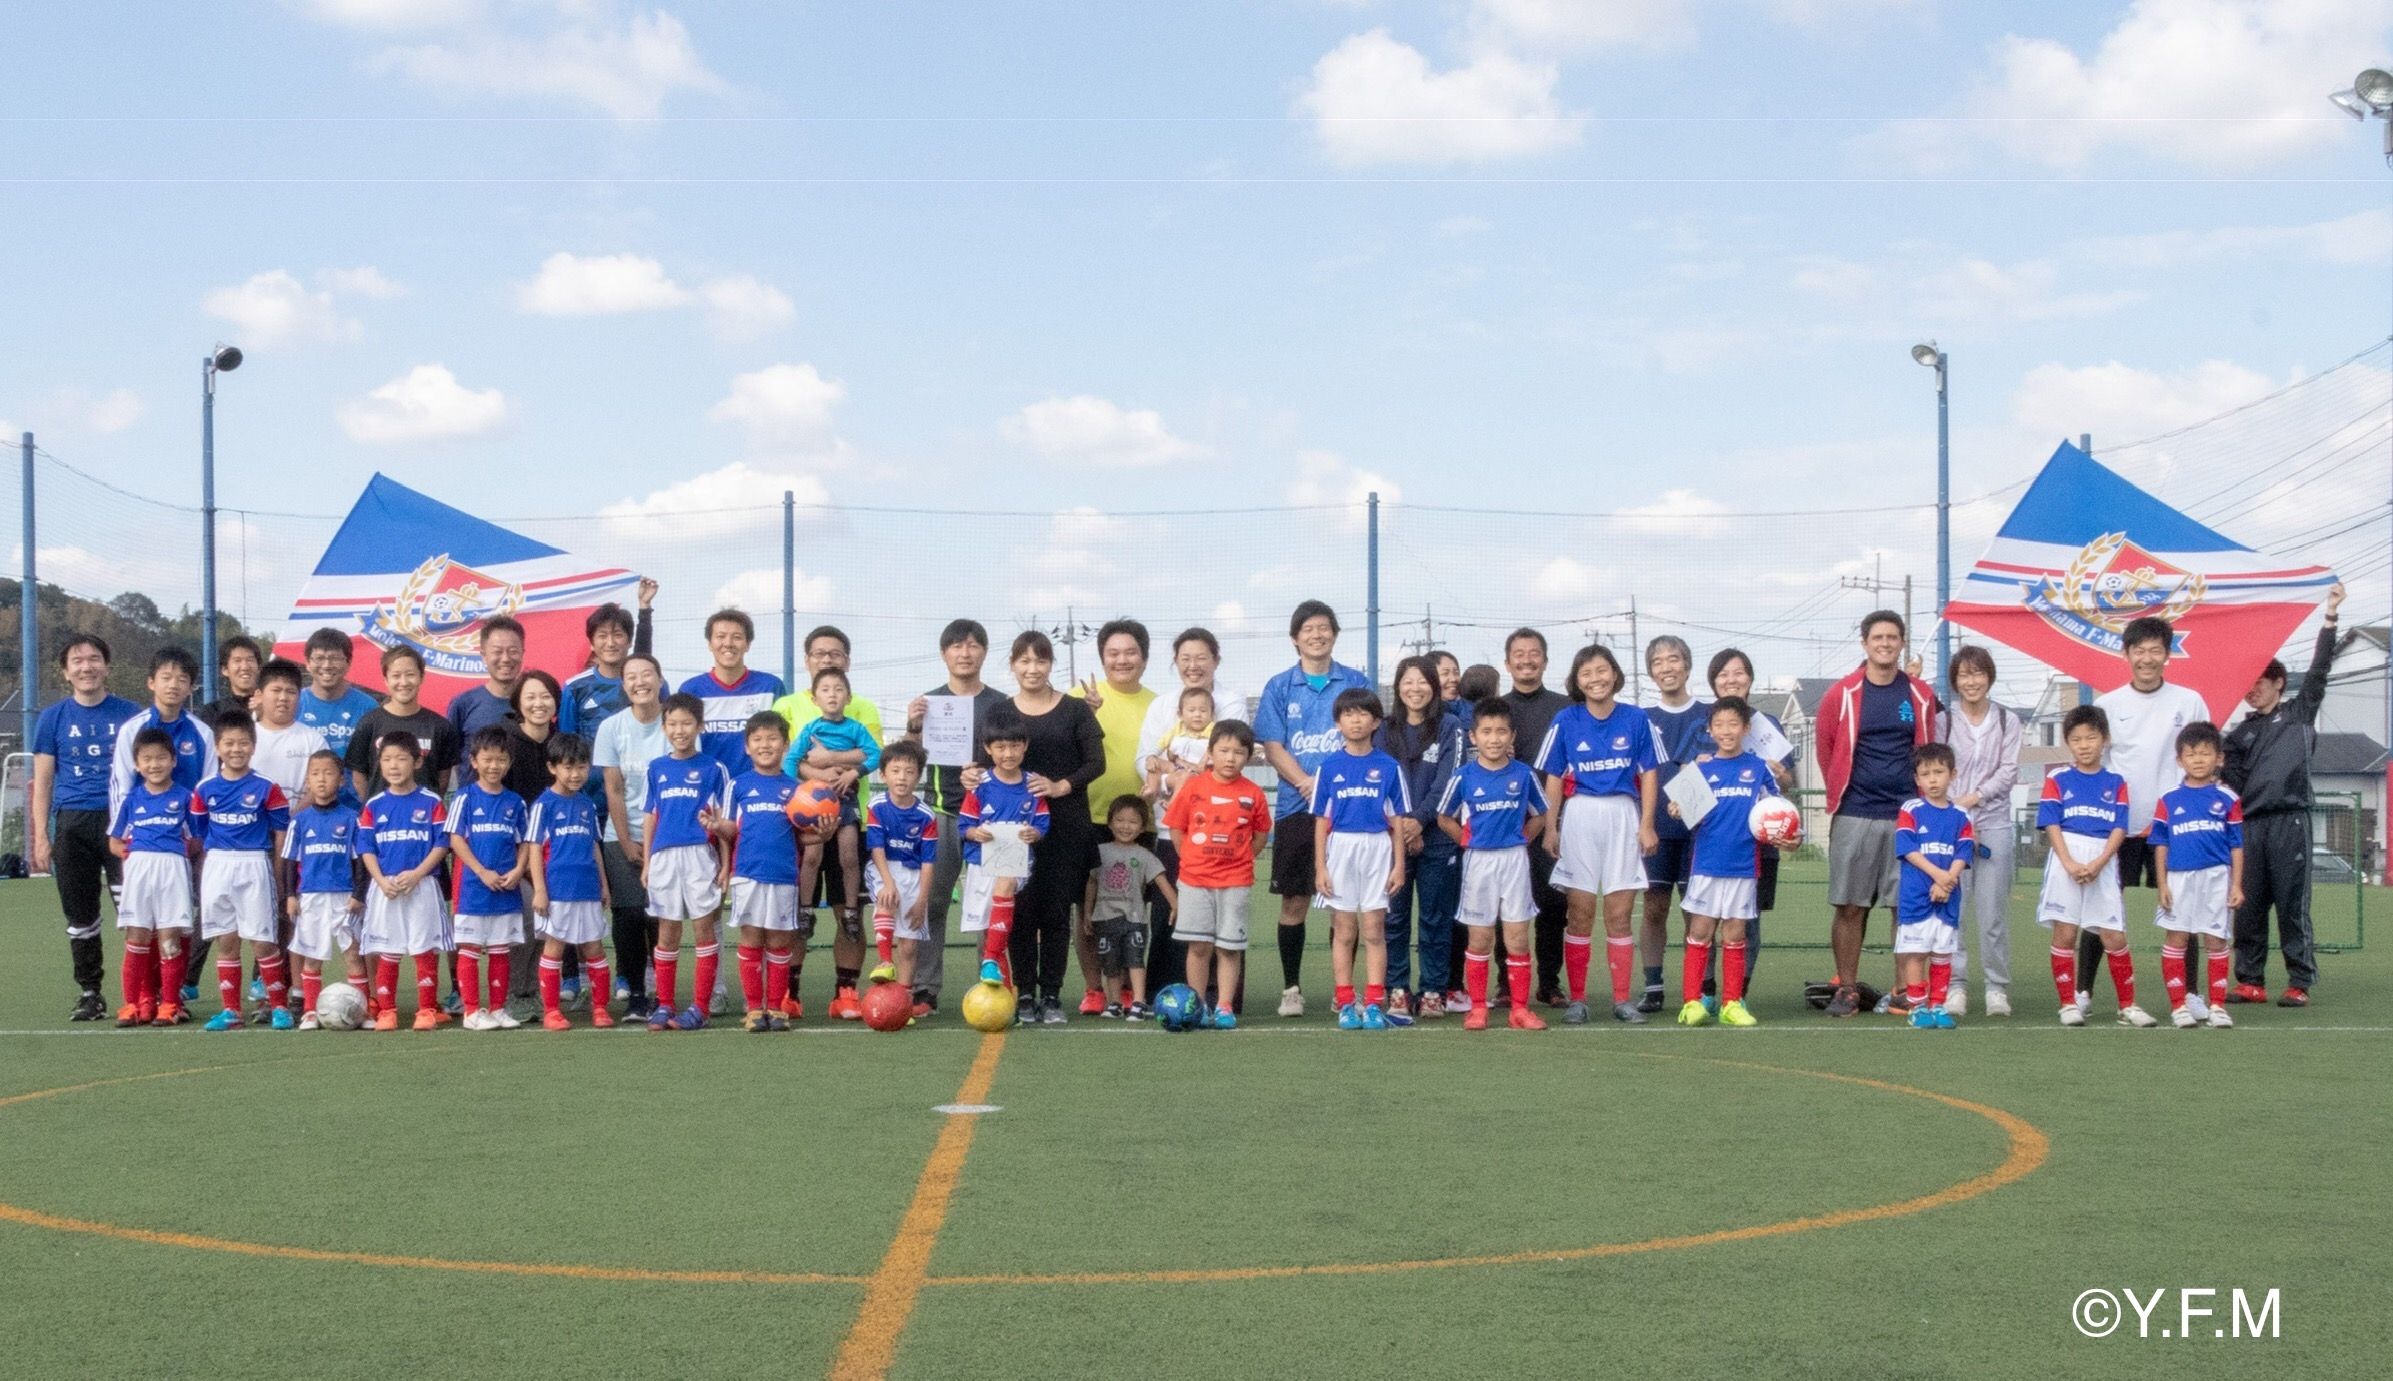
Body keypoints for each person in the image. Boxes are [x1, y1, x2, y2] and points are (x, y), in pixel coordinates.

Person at [2080, 614, 2213, 1023]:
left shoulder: (2189, 701)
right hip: (2119, 827)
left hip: (2174, 830)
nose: (2148, 658)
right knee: (2102, 910)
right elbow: (2094, 766)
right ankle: (2083, 990)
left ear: (2168, 655)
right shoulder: (2107, 705)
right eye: (2139, 650)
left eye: (2157, 650)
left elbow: (2204, 761)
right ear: (2126, 654)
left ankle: (2190, 994)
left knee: (2182, 912)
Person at [1812, 612, 1938, 1019]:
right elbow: (1827, 749)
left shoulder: (1919, 695)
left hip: (1907, 815)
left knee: (1906, 906)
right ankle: (1847, 989)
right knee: (1849, 906)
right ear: (1864, 643)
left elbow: (1929, 748)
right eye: (1877, 637)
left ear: (1902, 643)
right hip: (1856, 812)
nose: (1885, 643)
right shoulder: (1841, 694)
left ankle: (1904, 990)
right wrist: (1843, 794)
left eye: (1893, 637)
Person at [2223, 583, 2344, 1006]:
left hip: (2290, 822)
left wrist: (2330, 616)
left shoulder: (2299, 712)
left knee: (2292, 905)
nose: (2251, 689)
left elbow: (2320, 669)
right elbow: (2231, 783)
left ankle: (2299, 982)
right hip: (2250, 827)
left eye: (2259, 681)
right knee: (2249, 907)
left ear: (2278, 682)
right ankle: (2250, 979)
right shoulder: (2238, 734)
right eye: (2246, 683)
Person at [1254, 600, 1373, 1018]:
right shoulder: (1280, 686)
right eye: (1308, 629)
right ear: (1294, 638)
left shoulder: (1356, 682)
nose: (1317, 635)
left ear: (1335, 635)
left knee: (1346, 905)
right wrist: (1307, 783)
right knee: (1295, 902)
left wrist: (1335, 786)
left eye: (1324, 628)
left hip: (1353, 813)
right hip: (1296, 807)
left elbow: (1367, 742)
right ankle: (1292, 989)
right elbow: (1272, 745)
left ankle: (1346, 991)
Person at [977, 631, 1103, 1024]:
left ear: (1051, 665)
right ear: (1012, 665)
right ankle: (1025, 995)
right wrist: (970, 778)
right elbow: (981, 761)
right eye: (1024, 661)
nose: (1033, 669)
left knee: (1055, 914)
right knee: (1019, 911)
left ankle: (1051, 996)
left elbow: (1096, 763)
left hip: (1065, 827)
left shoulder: (1076, 710)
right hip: (1011, 830)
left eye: (1041, 661)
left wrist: (1059, 786)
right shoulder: (1000, 711)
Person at [1539, 643, 1660, 1026]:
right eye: (1586, 672)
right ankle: (1578, 1000)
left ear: (1615, 674)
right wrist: (1550, 825)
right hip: (1580, 817)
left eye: (1602, 670)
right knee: (1579, 913)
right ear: (1577, 680)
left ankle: (1623, 1000)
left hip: (1623, 815)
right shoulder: (1566, 719)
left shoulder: (1637, 719)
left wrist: (1646, 823)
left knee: (1620, 914)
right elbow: (1554, 776)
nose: (1596, 678)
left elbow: (1651, 773)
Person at [30, 632, 141, 1021]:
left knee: (135, 912)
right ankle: (90, 992)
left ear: (106, 666)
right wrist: (41, 836)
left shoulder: (131, 714)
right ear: (66, 672)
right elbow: (42, 782)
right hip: (72, 824)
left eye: (94, 659)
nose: (86, 666)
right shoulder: (52, 718)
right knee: (80, 917)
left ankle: (142, 992)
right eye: (77, 661)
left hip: (121, 822)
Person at [902, 619, 1007, 1011]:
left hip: (994, 818)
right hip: (943, 811)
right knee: (933, 902)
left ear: (984, 652)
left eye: (973, 645)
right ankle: (925, 990)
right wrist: (913, 727)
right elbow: (909, 759)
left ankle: (993, 982)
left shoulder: (1002, 704)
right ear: (944, 653)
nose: (965, 653)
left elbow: (1017, 754)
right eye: (957, 646)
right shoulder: (929, 703)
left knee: (995, 903)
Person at [2036, 705, 2152, 1028]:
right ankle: (2068, 1004)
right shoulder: (2057, 779)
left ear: (2106, 740)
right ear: (2068, 743)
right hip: (2066, 858)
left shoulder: (2116, 782)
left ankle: (2127, 1005)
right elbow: (2052, 824)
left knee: (2113, 935)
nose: (2084, 744)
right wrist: (2070, 862)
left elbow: (2119, 828)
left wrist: (2100, 863)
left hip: (2103, 859)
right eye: (2076, 739)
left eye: (2091, 737)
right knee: (2066, 931)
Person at [1437, 696, 1548, 1031]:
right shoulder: (1464, 776)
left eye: (1501, 731)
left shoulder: (1524, 774)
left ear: (1512, 736)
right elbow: (1444, 817)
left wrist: (1521, 839)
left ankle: (1519, 1009)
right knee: (1480, 938)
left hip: (1514, 861)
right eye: (1486, 731)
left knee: (1517, 937)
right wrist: (1467, 841)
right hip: (1478, 863)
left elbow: (1541, 814)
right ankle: (1478, 1008)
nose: (1495, 738)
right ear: (1474, 737)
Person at [1667, 697, 1775, 1028]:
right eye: (1720, 725)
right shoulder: (1700, 769)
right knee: (1699, 932)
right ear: (1710, 730)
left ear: (1745, 729)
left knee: (1735, 933)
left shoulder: (1758, 769)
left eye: (1733, 725)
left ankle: (1731, 1003)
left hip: (1744, 866)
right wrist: (1677, 809)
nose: (1726, 731)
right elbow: (1682, 811)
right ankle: (1691, 1003)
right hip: (1706, 865)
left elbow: (1773, 810)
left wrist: (1784, 827)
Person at [1069, 619, 1158, 1015]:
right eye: (1113, 653)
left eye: (1130, 652)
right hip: (1087, 818)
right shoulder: (1077, 699)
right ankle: (1094, 988)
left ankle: (1126, 988)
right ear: (1102, 658)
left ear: (1145, 656)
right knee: (1088, 911)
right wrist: (1082, 713)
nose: (1122, 660)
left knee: (1132, 912)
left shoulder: (1160, 704)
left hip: (1142, 822)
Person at [1311, 687, 1409, 1031]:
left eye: (1363, 713)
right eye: (1348, 714)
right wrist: (1321, 866)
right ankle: (1345, 1002)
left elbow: (1397, 820)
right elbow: (1321, 821)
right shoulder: (1329, 767)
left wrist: (1399, 864)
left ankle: (1373, 1003)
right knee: (1344, 930)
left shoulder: (1389, 767)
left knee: (1374, 929)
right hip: (1341, 849)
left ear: (1376, 722)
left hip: (1377, 850)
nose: (1356, 720)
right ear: (1338, 722)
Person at [1163, 721, 1272, 1030]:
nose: (1230, 758)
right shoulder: (1194, 788)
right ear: (1210, 753)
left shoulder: (1253, 794)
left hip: (1235, 882)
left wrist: (1242, 860)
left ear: (1248, 757)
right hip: (1195, 881)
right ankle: (1196, 1005)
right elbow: (1176, 826)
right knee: (1198, 946)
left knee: (1228, 946)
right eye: (1223, 750)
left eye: (1239, 752)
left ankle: (1224, 1006)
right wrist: (1190, 859)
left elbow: (1261, 833)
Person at [1933, 645, 2022, 1018]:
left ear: (1989, 677)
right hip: (1950, 825)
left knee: (1992, 913)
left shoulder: (2007, 720)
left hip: (1994, 824)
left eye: (1978, 674)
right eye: (1964, 675)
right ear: (1955, 680)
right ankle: (1955, 985)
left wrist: (1974, 798)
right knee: (1954, 909)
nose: (1972, 682)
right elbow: (1935, 765)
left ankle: (1996, 988)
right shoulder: (1944, 721)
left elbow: (2009, 770)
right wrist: (1955, 806)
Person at [789, 665, 881, 1017]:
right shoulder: (809, 727)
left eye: (838, 688)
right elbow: (790, 761)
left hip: (845, 808)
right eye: (825, 689)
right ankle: (805, 909)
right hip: (812, 813)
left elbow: (876, 755)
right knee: (810, 861)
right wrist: (816, 779)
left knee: (848, 858)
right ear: (815, 697)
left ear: (848, 695)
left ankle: (846, 988)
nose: (832, 694)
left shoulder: (857, 727)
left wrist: (851, 771)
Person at [192, 712, 293, 1031]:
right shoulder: (205, 788)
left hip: (253, 864)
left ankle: (279, 1007)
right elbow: (199, 831)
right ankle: (231, 1011)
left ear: (253, 745)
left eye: (243, 742)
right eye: (229, 743)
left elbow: (280, 833)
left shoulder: (267, 787)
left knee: (263, 941)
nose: (236, 749)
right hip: (218, 864)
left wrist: (277, 873)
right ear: (218, 748)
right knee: (226, 940)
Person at [641, 691, 734, 1032]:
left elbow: (722, 822)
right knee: (667, 931)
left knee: (703, 929)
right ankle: (665, 1005)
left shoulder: (714, 768)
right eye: (673, 724)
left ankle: (700, 1007)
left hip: (700, 856)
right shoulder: (657, 768)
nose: (680, 730)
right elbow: (651, 815)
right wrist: (649, 862)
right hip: (664, 858)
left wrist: (725, 866)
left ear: (700, 726)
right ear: (664, 727)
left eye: (687, 723)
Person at [1377, 656, 1464, 1021]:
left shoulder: (1451, 726)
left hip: (1438, 837)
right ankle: (1397, 988)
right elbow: (1380, 780)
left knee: (1434, 918)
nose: (1415, 688)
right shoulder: (1383, 728)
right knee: (1394, 919)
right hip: (1392, 840)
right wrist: (1403, 827)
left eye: (1423, 681)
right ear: (1398, 686)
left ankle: (1433, 989)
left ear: (1434, 686)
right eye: (1407, 681)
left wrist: (1418, 821)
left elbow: (1449, 781)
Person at [1703, 649, 1793, 998]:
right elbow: (1688, 778)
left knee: (1749, 921)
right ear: (1713, 682)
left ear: (1750, 679)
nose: (1731, 680)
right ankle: (1707, 990)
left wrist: (1783, 776)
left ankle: (1738, 993)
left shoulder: (1769, 724)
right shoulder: (1705, 723)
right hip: (1713, 843)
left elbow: (1787, 784)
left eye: (1738, 673)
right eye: (1723, 674)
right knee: (1704, 921)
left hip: (1758, 845)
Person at [356, 733, 453, 1032]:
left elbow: (442, 843)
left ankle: (426, 1010)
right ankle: (387, 1011)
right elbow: (366, 848)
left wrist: (418, 873)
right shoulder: (374, 805)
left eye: (400, 758)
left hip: (421, 887)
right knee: (388, 949)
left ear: (417, 761)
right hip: (386, 889)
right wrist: (381, 880)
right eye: (386, 759)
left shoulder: (431, 801)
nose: (393, 766)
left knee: (425, 949)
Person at [2152, 722, 2244, 1029]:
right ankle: (2178, 1006)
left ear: (2219, 758)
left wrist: (2237, 885)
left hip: (2217, 878)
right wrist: (2162, 883)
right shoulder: (2168, 799)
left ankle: (2217, 1005)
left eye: (2205, 753)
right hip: (2179, 879)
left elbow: (2237, 844)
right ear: (2180, 760)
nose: (2198, 759)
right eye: (2191, 754)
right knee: (2177, 938)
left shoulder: (2228, 798)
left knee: (2217, 940)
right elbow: (2161, 844)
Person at [1496, 629, 1571, 1005]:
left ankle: (1549, 982)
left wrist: (1552, 822)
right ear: (1507, 663)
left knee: (1553, 902)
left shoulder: (1566, 707)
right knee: (1503, 904)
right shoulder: (1496, 709)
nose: (1527, 660)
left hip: (1554, 819)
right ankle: (1506, 983)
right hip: (1503, 821)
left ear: (1545, 659)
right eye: (1519, 654)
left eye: (1534, 653)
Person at [1636, 635, 1710, 1011]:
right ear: (1651, 671)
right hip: (1656, 830)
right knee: (1654, 907)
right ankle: (1653, 985)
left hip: (1702, 831)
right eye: (1659, 662)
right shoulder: (1642, 718)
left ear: (1687, 665)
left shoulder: (1709, 715)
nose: (1667, 667)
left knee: (1696, 910)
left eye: (1674, 659)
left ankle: (1697, 988)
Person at [109, 727, 199, 1026]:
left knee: (169, 939)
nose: (154, 764)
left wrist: (177, 852)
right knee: (137, 937)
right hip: (139, 870)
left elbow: (197, 837)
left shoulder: (186, 798)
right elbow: (114, 840)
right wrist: (130, 856)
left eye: (161, 758)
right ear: (136, 764)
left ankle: (170, 1004)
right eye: (146, 759)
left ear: (174, 761)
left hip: (172, 868)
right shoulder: (133, 799)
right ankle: (132, 1005)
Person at [595, 653, 668, 1016]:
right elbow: (614, 788)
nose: (640, 682)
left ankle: (661, 994)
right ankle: (636, 994)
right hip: (620, 834)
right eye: (632, 677)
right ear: (624, 685)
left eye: (647, 674)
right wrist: (625, 840)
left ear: (659, 679)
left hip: (667, 837)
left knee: (659, 915)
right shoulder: (611, 727)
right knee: (628, 915)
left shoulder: (676, 723)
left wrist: (655, 846)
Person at [961, 704, 1050, 997]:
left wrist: (1034, 833)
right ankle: (1005, 994)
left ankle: (988, 962)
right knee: (991, 932)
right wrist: (978, 833)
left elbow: (1042, 822)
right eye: (1001, 747)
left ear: (1025, 747)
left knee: (1006, 882)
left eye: (1014, 746)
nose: (1008, 753)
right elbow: (965, 826)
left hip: (1015, 862)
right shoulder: (979, 785)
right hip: (980, 862)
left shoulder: (1032, 784)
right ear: (988, 748)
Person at [527, 733, 615, 1031]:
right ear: (553, 768)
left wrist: (603, 884)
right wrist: (540, 890)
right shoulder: (544, 805)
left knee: (594, 948)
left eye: (581, 767)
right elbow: (535, 849)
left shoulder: (587, 805)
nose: (575, 774)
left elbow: (593, 846)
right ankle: (552, 1010)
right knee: (555, 947)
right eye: (567, 767)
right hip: (558, 890)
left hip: (587, 887)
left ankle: (600, 1008)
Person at [448, 726, 532, 1031]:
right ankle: (471, 1011)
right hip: (473, 887)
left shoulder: (515, 802)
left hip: (505, 887)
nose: (493, 766)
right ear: (474, 761)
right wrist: (481, 871)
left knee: (500, 948)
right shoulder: (465, 797)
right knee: (470, 948)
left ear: (508, 763)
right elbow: (456, 839)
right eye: (487, 759)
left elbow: (525, 841)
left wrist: (518, 870)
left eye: (500, 760)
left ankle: (497, 1009)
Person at [281, 749, 369, 1029]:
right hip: (312, 897)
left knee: (353, 954)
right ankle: (309, 1010)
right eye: (315, 774)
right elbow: (288, 861)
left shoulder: (351, 818)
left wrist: (358, 894)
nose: (322, 780)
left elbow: (360, 861)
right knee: (312, 956)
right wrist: (290, 896)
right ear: (307, 780)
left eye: (328, 773)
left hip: (344, 897)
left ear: (341, 781)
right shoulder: (300, 821)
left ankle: (361, 1010)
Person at [727, 711, 803, 1032]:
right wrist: (716, 826)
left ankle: (776, 1007)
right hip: (747, 873)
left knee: (779, 941)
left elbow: (806, 833)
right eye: (757, 739)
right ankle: (754, 1008)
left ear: (785, 745)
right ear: (747, 747)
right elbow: (730, 829)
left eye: (773, 738)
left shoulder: (798, 789)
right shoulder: (738, 785)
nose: (765, 745)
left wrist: (824, 830)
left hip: (784, 874)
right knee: (751, 937)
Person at [1894, 742, 1973, 1030]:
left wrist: (1947, 882)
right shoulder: (1910, 809)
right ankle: (1917, 1007)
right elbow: (1907, 848)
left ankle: (1938, 1005)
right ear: (1917, 779)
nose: (1933, 779)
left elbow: (1963, 854)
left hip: (1947, 898)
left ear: (1953, 774)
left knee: (1942, 954)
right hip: (1917, 896)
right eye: (1925, 774)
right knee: (1916, 953)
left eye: (1939, 772)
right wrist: (1939, 875)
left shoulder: (1961, 816)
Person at [865, 740, 938, 1011]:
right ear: (883, 775)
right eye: (895, 771)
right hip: (884, 868)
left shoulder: (925, 815)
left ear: (918, 776)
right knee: (887, 898)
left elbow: (928, 862)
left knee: (908, 947)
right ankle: (885, 962)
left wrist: (922, 900)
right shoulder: (878, 805)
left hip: (915, 876)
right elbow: (876, 847)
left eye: (909, 772)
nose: (902, 777)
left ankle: (902, 1006)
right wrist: (888, 881)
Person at [1085, 795, 1173, 1019]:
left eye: (1133, 822)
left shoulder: (1144, 855)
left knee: (1134, 960)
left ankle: (1138, 1002)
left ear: (1143, 827)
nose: (1126, 826)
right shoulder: (1100, 851)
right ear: (1110, 822)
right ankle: (1114, 1002)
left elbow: (1161, 879)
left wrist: (1175, 904)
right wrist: (1087, 912)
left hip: (1134, 920)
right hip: (1104, 919)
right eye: (1120, 820)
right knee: (1110, 963)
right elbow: (1092, 882)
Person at [346, 645, 460, 803]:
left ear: (422, 677)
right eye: (396, 676)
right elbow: (359, 777)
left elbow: (442, 780)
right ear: (386, 679)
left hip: (424, 819)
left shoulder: (440, 727)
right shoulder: (369, 724)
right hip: (381, 820)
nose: (404, 682)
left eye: (410, 675)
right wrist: (375, 807)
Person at [680, 608, 786, 775]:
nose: (728, 643)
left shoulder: (770, 686)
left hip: (757, 792)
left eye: (737, 637)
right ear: (709, 643)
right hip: (708, 790)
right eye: (720, 636)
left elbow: (785, 740)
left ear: (748, 644)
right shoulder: (691, 690)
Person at [559, 581, 658, 740]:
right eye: (602, 636)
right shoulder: (574, 688)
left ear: (629, 640)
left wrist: (645, 608)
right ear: (591, 643)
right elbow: (567, 744)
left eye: (618, 635)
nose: (611, 643)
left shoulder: (650, 683)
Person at [298, 629, 383, 803]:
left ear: (348, 662)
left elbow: (377, 764)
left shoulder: (368, 707)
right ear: (307, 663)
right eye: (319, 658)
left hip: (354, 812)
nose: (327, 665)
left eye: (335, 658)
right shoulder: (293, 703)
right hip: (304, 810)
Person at [247, 658, 327, 802]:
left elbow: (320, 788)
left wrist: (293, 818)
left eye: (290, 691)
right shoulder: (245, 737)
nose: (283, 698)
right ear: (259, 695)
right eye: (276, 690)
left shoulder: (314, 740)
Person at [445, 616, 527, 740]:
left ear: (522, 653)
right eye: (497, 652)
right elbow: (448, 755)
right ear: (484, 655)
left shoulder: (533, 704)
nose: (505, 659)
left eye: (513, 651)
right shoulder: (463, 704)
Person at [193, 634, 263, 729]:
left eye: (250, 660)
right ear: (225, 670)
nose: (245, 667)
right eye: (237, 661)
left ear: (259, 668)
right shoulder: (212, 712)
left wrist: (264, 715)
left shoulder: (271, 707)